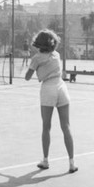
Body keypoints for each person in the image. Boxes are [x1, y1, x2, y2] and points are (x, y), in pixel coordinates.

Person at [25, 29, 78, 173]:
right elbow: (47, 60)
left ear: (39, 43)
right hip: (62, 88)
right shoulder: (57, 55)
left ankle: (46, 161)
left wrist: (31, 65)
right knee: (66, 126)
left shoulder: (36, 58)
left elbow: (27, 77)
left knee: (46, 127)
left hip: (48, 89)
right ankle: (72, 163)